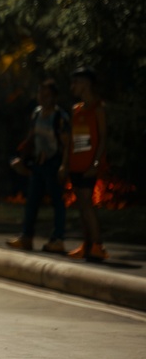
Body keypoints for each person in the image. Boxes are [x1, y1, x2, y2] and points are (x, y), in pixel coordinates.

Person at [6, 80, 70, 253]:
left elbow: (67, 144)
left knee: (57, 201)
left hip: (54, 162)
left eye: (46, 94)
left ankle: (58, 239)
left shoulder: (60, 117)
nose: (42, 98)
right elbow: (31, 138)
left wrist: (64, 165)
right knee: (32, 201)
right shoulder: (36, 113)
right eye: (40, 94)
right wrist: (22, 158)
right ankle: (27, 236)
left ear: (54, 97)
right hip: (38, 163)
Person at [67, 67, 108, 261]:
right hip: (76, 163)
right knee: (81, 206)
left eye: (76, 82)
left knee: (87, 204)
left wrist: (96, 162)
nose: (72, 87)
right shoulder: (76, 110)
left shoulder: (97, 108)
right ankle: (87, 244)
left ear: (86, 84)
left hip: (89, 164)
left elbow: (103, 137)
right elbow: (71, 139)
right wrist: (65, 163)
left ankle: (98, 245)